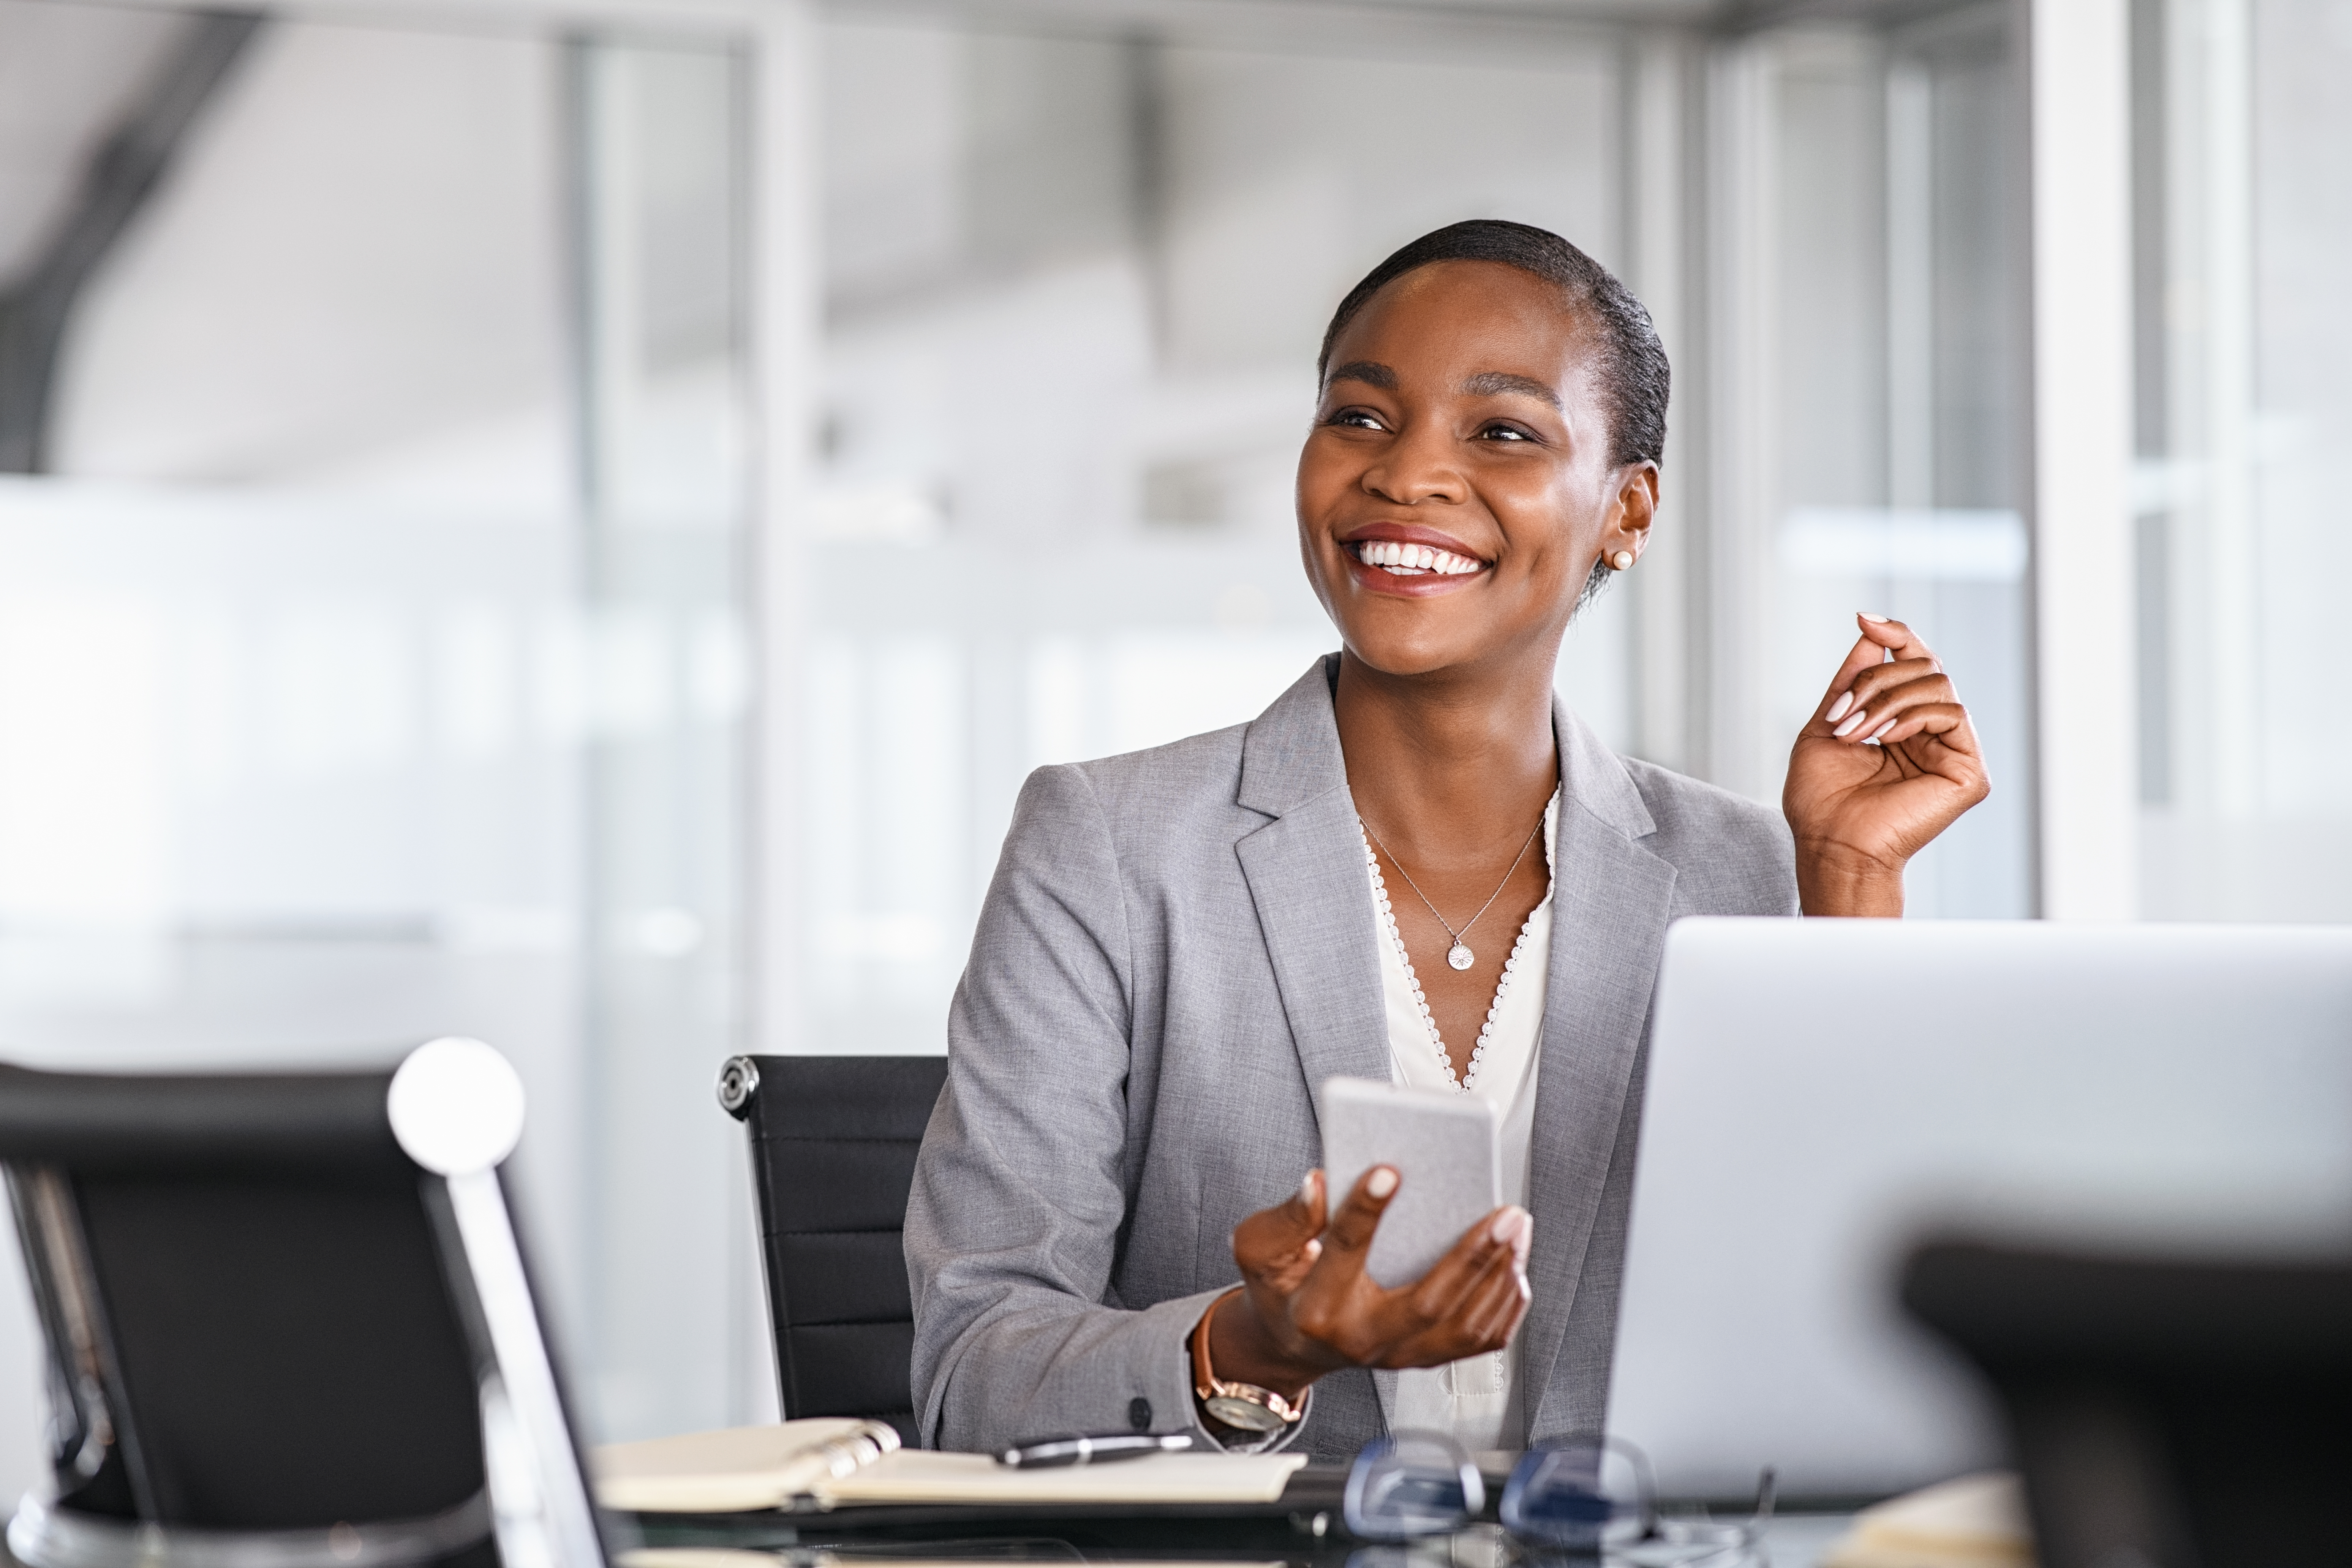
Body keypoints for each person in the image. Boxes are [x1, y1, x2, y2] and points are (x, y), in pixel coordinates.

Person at [904, 219, 1989, 1461]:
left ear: (1627, 510)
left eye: (1503, 432)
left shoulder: (1746, 874)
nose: (1408, 474)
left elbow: (1859, 1341)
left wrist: (1848, 883)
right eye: (1360, 417)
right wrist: (1255, 1348)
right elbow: (970, 1370)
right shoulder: (1107, 847)